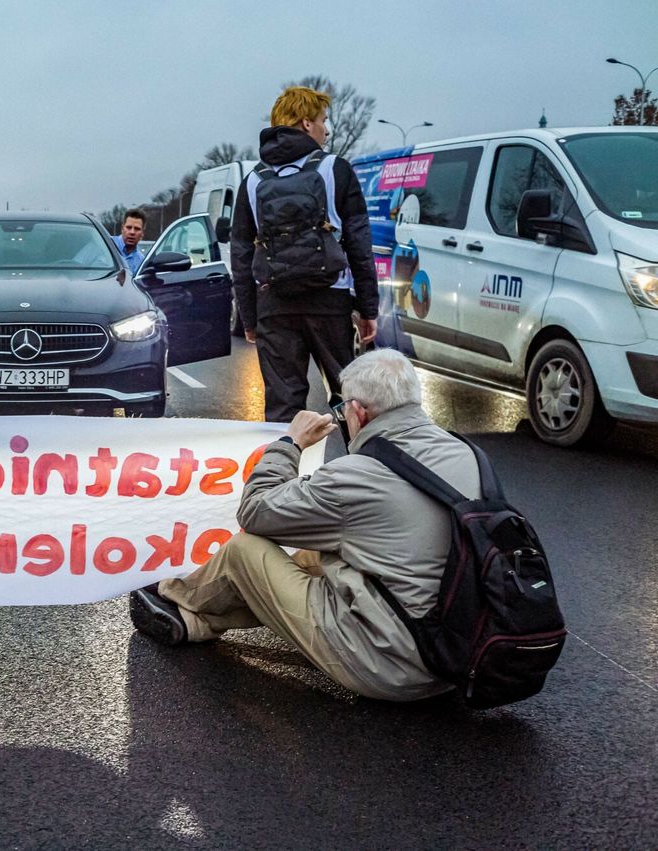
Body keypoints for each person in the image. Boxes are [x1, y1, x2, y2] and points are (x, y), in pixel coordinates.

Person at [129, 349, 481, 702]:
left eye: (344, 409)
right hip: (458, 657)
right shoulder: (467, 454)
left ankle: (175, 601)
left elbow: (254, 512)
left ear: (358, 412)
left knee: (245, 551)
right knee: (315, 553)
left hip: (391, 667)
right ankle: (197, 623)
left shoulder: (356, 475)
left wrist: (290, 443)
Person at [230, 86, 379, 422]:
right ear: (306, 124)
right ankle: (358, 471)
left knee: (283, 407)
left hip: (275, 305)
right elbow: (358, 242)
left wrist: (250, 317)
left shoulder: (253, 180)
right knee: (350, 401)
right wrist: (368, 306)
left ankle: (283, 472)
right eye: (323, 121)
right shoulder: (334, 169)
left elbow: (240, 254)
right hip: (329, 301)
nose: (327, 129)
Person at [113, 208, 147, 276]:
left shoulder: (141, 262)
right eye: (129, 227)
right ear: (122, 228)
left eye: (137, 229)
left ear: (142, 233)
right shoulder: (107, 245)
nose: (132, 232)